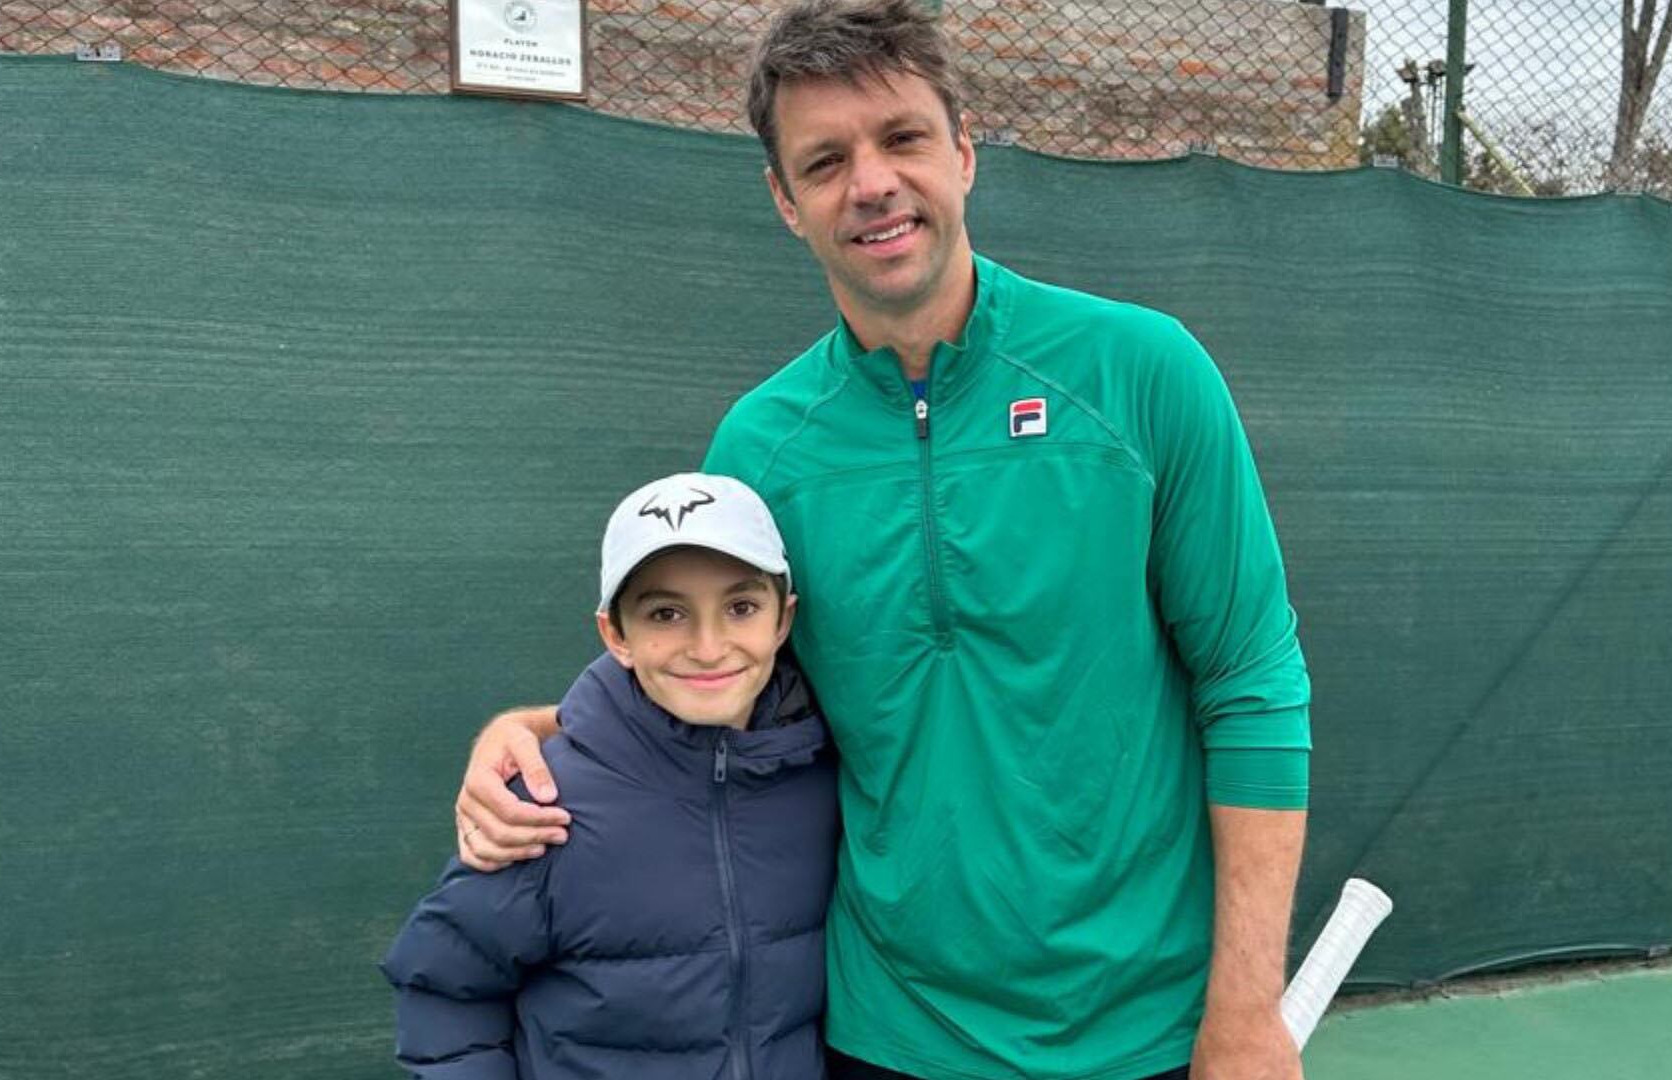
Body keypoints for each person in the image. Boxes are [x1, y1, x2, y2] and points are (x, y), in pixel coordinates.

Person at [453, 1, 1313, 1077]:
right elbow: (718, 681)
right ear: (785, 200)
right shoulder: (759, 446)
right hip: (885, 1033)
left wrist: (1244, 1009)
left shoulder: (1144, 374)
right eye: (825, 160)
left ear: (963, 148)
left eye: (902, 138)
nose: (870, 183)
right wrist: (530, 732)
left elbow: (1251, 679)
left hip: (1146, 1030)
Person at [383, 473, 840, 1079]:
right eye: (666, 613)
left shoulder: (827, 778)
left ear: (782, 622)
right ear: (615, 634)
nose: (707, 647)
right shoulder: (542, 805)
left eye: (740, 607)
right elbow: (443, 988)